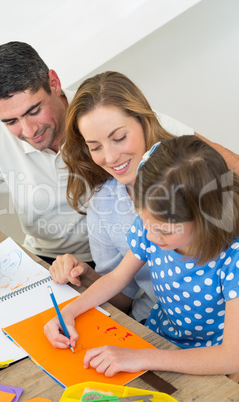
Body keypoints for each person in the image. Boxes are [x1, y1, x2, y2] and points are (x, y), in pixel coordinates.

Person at [49, 71, 239, 322]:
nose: (110, 157)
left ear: (144, 122)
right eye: (95, 147)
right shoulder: (106, 203)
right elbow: (121, 292)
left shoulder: (196, 174)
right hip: (157, 323)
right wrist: (83, 275)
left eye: (119, 138)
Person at [44, 135, 239, 379]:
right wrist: (69, 312)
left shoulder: (233, 258)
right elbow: (116, 278)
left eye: (164, 230)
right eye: (144, 220)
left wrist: (141, 357)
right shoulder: (151, 227)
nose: (150, 234)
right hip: (160, 336)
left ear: (206, 218)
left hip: (210, 358)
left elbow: (231, 357)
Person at [0, 41, 92, 286]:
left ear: (54, 83)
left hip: (114, 262)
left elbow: (188, 148)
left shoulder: (98, 108)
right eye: (11, 121)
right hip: (43, 261)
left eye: (34, 110)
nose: (29, 131)